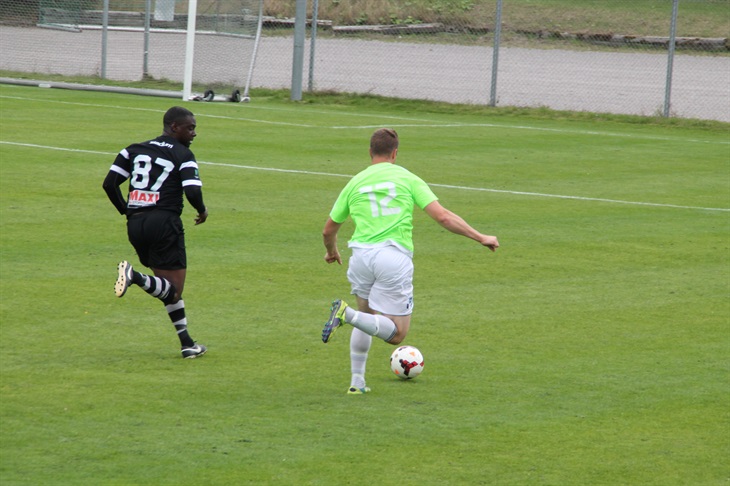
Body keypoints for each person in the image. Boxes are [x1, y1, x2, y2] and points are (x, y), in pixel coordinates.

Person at [321, 128, 499, 394]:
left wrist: (332, 251)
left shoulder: (355, 182)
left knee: (365, 317)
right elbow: (443, 217)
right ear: (394, 153)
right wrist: (480, 237)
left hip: (360, 257)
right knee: (397, 334)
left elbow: (328, 230)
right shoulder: (407, 178)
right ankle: (346, 315)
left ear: (370, 152)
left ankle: (357, 383)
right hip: (392, 258)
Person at [102, 106, 208, 359]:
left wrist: (127, 211)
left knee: (165, 287)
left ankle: (187, 343)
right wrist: (202, 210)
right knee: (173, 290)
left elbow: (109, 184)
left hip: (135, 224)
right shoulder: (183, 154)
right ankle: (135, 276)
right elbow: (192, 190)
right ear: (174, 127)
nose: (194, 133)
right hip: (164, 223)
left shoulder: (133, 149)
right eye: (190, 128)